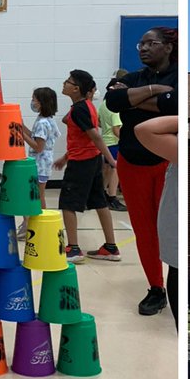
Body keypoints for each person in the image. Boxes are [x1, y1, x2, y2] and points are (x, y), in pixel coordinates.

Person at [103, 28, 178, 316]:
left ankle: (175, 283)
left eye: (151, 43)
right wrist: (154, 93)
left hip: (164, 165)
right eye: (141, 43)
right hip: (131, 164)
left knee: (168, 229)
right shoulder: (132, 77)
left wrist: (133, 98)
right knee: (144, 231)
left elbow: (173, 104)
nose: (143, 48)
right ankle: (156, 289)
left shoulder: (177, 76)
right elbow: (112, 101)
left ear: (168, 47)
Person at [133, 113, 180, 379]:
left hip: (179, 261)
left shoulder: (183, 147)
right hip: (175, 260)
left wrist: (185, 116)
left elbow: (143, 129)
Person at [53, 69, 120, 264]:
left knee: (67, 204)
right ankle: (110, 247)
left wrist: (112, 160)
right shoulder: (86, 106)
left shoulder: (81, 108)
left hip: (82, 163)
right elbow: (83, 138)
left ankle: (73, 249)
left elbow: (95, 137)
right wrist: (65, 157)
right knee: (100, 202)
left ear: (76, 89)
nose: (64, 83)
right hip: (91, 160)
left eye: (68, 81)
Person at [17, 87, 59, 211]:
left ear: (42, 102)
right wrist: (22, 126)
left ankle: (41, 220)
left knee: (38, 195)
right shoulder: (45, 119)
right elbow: (35, 137)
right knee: (36, 194)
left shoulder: (42, 123)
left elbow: (38, 147)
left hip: (40, 163)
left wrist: (21, 134)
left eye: (34, 100)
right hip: (42, 162)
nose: (32, 102)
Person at [96, 73, 125, 211]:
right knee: (116, 169)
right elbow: (116, 129)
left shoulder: (103, 105)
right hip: (114, 142)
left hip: (105, 141)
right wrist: (126, 140)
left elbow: (98, 122)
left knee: (106, 169)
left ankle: (102, 195)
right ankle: (112, 197)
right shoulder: (115, 108)